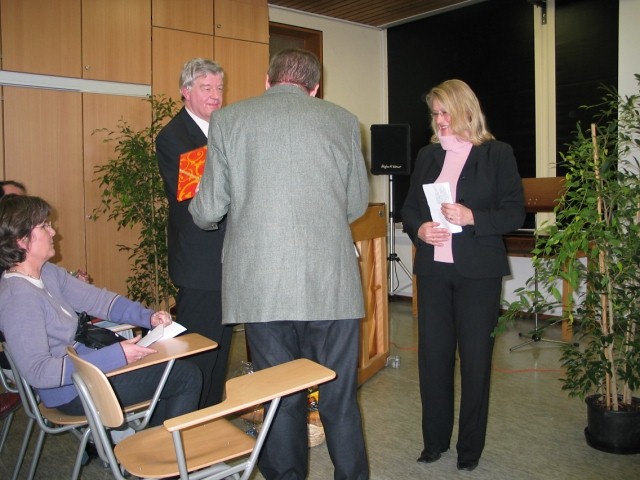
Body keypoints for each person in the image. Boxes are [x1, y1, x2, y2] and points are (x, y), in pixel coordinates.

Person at [189, 48, 370, 480]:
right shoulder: (344, 121)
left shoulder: (229, 121)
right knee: (339, 396)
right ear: (315, 88)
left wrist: (206, 216)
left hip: (263, 285)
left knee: (280, 394)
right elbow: (356, 203)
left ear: (267, 82)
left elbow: (208, 209)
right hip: (331, 283)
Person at [402, 79, 525, 472]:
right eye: (435, 113)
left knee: (475, 362)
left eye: (445, 112)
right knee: (433, 359)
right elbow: (409, 210)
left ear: (466, 111)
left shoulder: (497, 153)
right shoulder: (427, 155)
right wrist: (420, 230)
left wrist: (473, 217)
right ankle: (434, 442)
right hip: (434, 271)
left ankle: (470, 450)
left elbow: (514, 212)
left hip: (478, 274)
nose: (439, 120)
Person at [0, 195, 202, 426]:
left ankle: (157, 443)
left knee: (170, 369)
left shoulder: (47, 272)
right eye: (44, 226)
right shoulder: (18, 299)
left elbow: (100, 301)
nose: (53, 231)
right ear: (21, 240)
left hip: (88, 372)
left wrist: (149, 317)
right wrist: (115, 356)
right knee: (184, 376)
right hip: (72, 391)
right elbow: (38, 372)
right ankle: (163, 446)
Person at [156, 58, 232, 408]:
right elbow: (197, 199)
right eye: (206, 88)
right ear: (186, 91)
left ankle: (210, 418)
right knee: (198, 353)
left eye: (219, 88)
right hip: (201, 263)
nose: (215, 95)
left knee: (220, 350)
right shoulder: (174, 136)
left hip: (226, 259)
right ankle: (185, 423)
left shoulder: (223, 129)